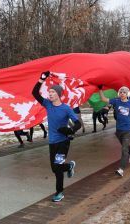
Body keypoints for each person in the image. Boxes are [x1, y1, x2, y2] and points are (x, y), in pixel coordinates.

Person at [32, 71, 81, 202]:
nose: (50, 94)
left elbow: (78, 124)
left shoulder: (66, 108)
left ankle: (59, 192)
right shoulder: (47, 104)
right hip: (52, 142)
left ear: (58, 94)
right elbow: (35, 93)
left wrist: (69, 130)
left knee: (58, 168)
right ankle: (69, 166)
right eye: (49, 92)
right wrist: (42, 79)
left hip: (63, 142)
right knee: (54, 168)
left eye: (52, 92)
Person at [99, 85, 130, 177]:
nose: (122, 94)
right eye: (121, 92)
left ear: (127, 94)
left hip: (127, 130)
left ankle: (121, 169)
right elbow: (103, 99)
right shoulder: (116, 101)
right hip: (118, 130)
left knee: (124, 150)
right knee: (124, 146)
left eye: (124, 92)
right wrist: (100, 89)